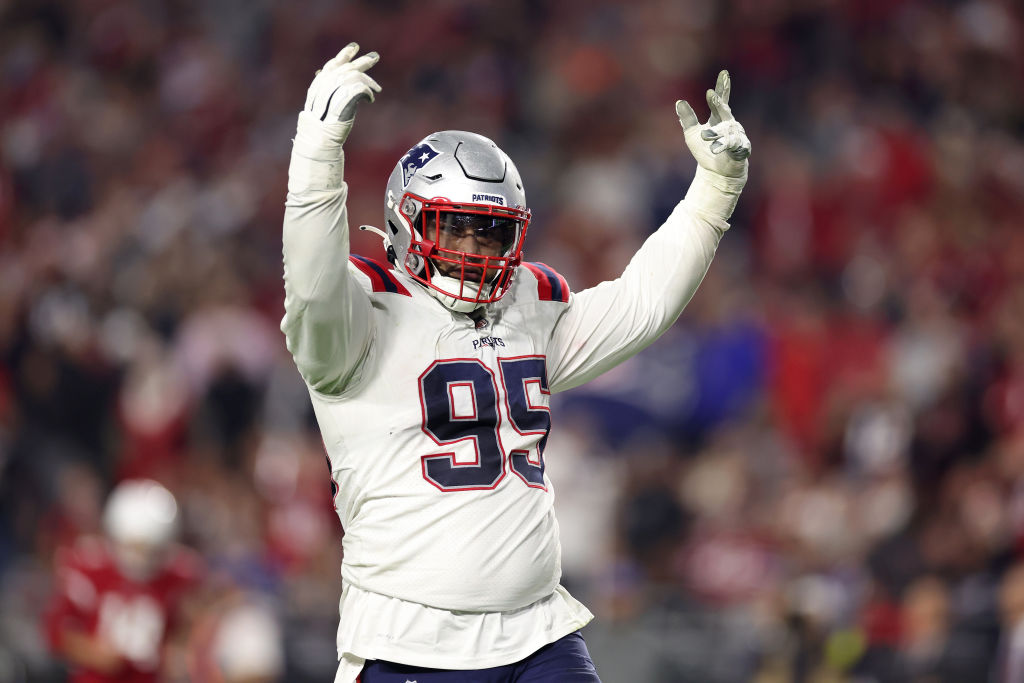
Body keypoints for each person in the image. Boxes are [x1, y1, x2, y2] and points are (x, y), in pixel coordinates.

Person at [281, 43, 751, 682]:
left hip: (537, 633)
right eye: (456, 228)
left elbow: (644, 305)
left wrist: (714, 191)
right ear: (405, 222)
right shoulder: (360, 317)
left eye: (492, 231)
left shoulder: (527, 305)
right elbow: (310, 285)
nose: (476, 249)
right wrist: (317, 154)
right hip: (409, 641)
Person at [43, 479, 203, 682]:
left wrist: (179, 648)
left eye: (150, 550)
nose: (140, 558)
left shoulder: (180, 576)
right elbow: (55, 632)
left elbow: (192, 631)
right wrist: (93, 652)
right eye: (134, 547)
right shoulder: (90, 568)